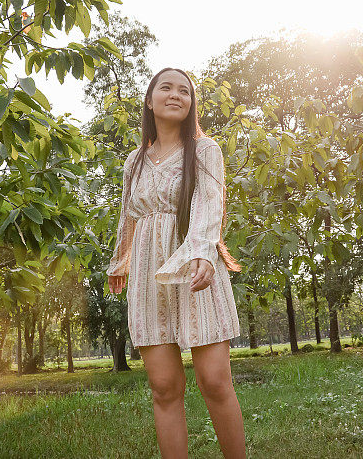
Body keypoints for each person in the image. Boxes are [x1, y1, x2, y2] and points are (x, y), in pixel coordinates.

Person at [106, 67, 247, 459]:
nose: (175, 95)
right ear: (149, 101)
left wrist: (203, 253)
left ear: (191, 104)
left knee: (214, 381)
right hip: (149, 277)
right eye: (165, 88)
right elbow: (128, 217)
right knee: (164, 386)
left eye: (184, 91)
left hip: (194, 270)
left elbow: (208, 206)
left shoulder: (205, 151)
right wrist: (122, 259)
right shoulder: (134, 162)